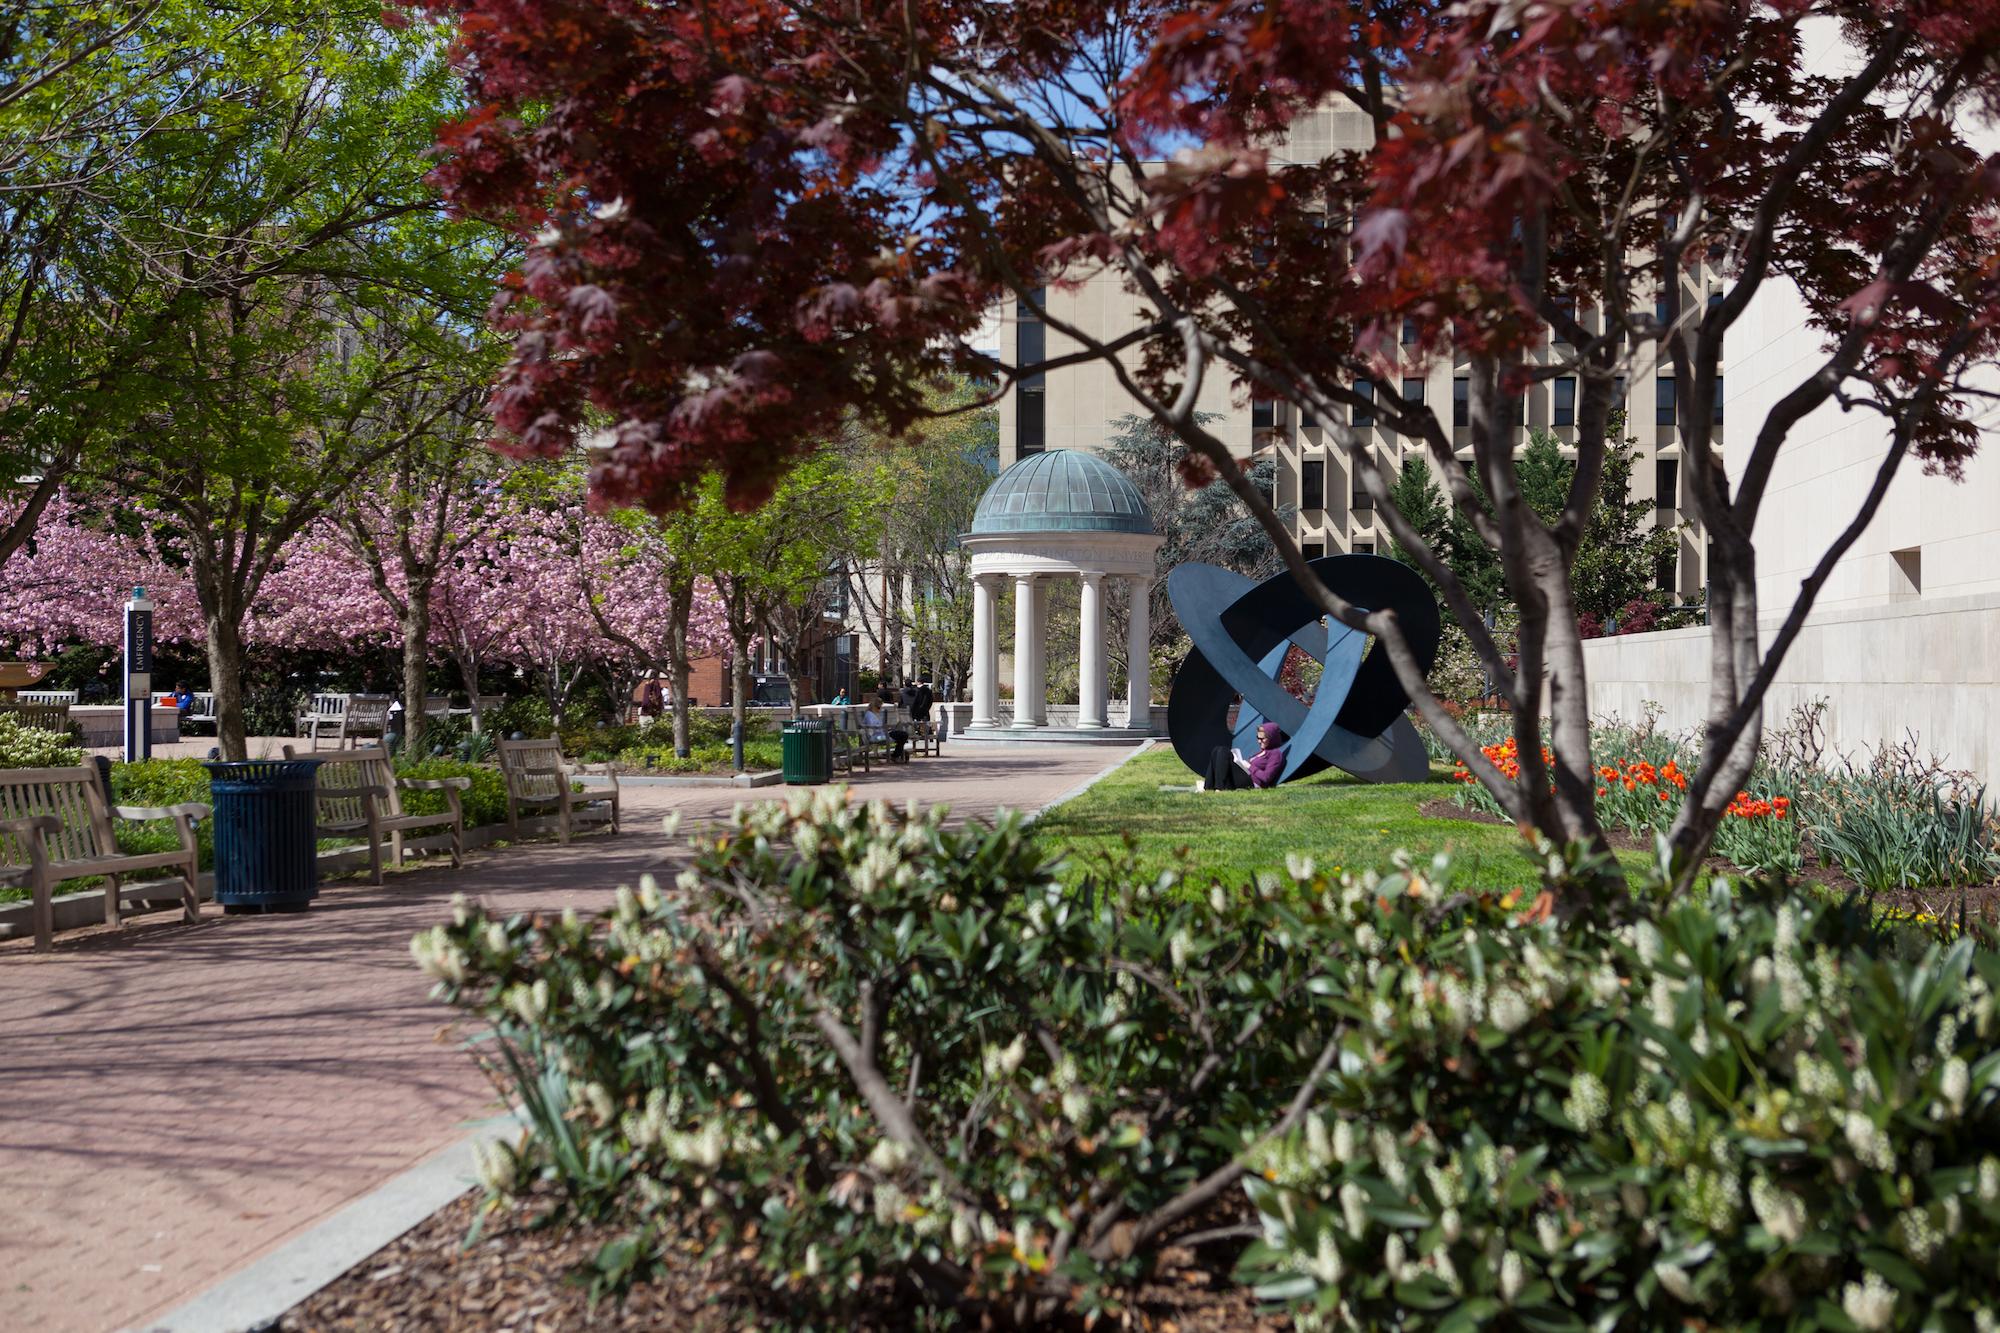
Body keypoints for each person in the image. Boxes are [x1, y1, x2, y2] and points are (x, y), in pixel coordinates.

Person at [1203, 722, 1287, 791]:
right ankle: (1208, 788)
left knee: (1223, 751)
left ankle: (1220, 789)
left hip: (1252, 782)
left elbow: (1266, 777)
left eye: (1262, 739)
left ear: (1272, 738)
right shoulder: (1261, 752)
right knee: (1217, 750)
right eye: (1258, 738)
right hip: (1245, 777)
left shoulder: (1275, 754)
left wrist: (1249, 766)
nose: (1259, 741)